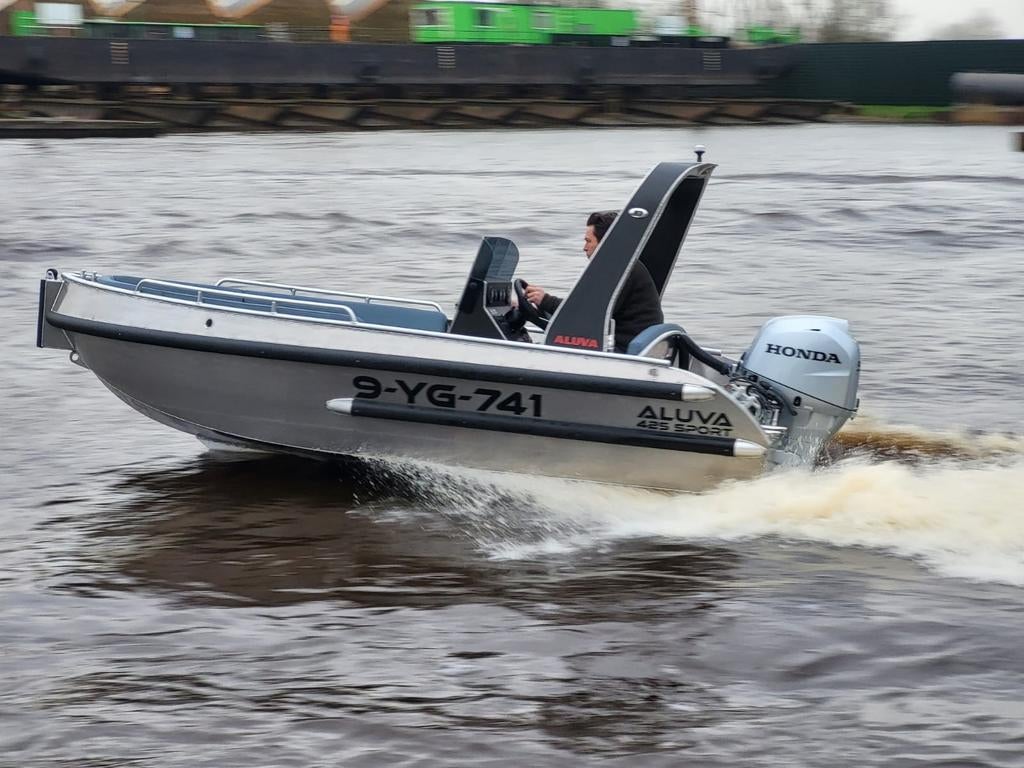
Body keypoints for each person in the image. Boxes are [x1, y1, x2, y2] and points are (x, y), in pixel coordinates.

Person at [524, 211, 664, 353]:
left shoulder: (619, 270)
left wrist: (545, 301)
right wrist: (542, 304)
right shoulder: (619, 266)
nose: (584, 247)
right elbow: (585, 308)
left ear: (604, 243)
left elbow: (589, 314)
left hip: (622, 351)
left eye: (589, 241)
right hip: (627, 343)